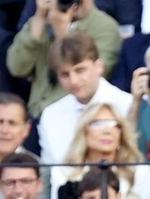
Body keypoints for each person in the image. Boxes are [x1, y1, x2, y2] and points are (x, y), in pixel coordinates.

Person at [9, 0, 122, 119]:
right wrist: (39, 17)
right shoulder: (41, 21)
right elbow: (17, 68)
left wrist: (61, 30)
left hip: (78, 115)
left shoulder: (105, 26)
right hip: (37, 112)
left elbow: (97, 75)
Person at [38, 32, 135, 168]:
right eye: (65, 74)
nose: (74, 81)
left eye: (80, 70)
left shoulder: (128, 105)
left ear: (99, 66)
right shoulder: (50, 115)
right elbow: (51, 171)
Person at [52, 100, 150, 199]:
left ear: (121, 133)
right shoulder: (63, 173)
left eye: (114, 124)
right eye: (97, 123)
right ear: (84, 131)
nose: (107, 131)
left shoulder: (140, 173)